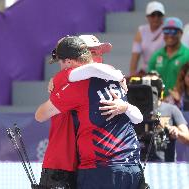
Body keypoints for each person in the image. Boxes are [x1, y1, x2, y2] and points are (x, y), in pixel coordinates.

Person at [36, 36, 145, 189]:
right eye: (93, 51)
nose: (99, 56)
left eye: (101, 52)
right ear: (80, 55)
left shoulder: (111, 78)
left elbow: (139, 118)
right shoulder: (72, 80)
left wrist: (125, 107)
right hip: (69, 166)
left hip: (116, 165)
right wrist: (120, 75)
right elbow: (40, 115)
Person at [142, 72, 189, 161]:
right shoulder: (134, 111)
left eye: (154, 84)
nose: (151, 88)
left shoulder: (172, 109)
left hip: (165, 166)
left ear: (161, 88)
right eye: (147, 84)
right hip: (140, 164)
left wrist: (175, 131)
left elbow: (187, 138)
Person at [148, 17, 189, 97]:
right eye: (166, 31)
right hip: (158, 101)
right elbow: (149, 80)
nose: (170, 35)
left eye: (174, 31)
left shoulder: (187, 55)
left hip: (181, 102)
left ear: (181, 33)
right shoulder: (156, 56)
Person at [129, 1, 165, 76]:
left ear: (163, 16)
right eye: (153, 15)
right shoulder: (141, 31)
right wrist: (132, 74)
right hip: (146, 71)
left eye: (159, 15)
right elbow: (135, 56)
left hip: (163, 70)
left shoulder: (167, 30)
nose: (156, 18)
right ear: (147, 16)